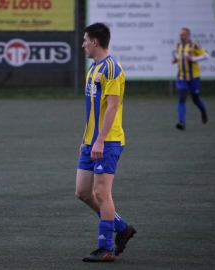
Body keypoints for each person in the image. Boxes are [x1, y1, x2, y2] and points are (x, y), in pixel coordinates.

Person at [75, 22, 136, 263]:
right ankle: (122, 228)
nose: (83, 45)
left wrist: (99, 141)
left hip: (108, 141)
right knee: (82, 192)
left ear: (95, 42)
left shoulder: (112, 68)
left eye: (85, 40)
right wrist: (86, 139)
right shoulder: (93, 68)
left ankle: (106, 248)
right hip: (91, 142)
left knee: (101, 192)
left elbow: (112, 108)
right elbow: (93, 110)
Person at [172, 28, 209, 130]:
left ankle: (203, 111)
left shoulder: (194, 45)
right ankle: (182, 122)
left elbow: (206, 56)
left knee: (195, 100)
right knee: (182, 98)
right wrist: (175, 59)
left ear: (188, 35)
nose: (181, 36)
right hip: (181, 77)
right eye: (180, 35)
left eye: (183, 35)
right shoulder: (178, 45)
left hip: (193, 78)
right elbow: (178, 55)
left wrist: (193, 59)